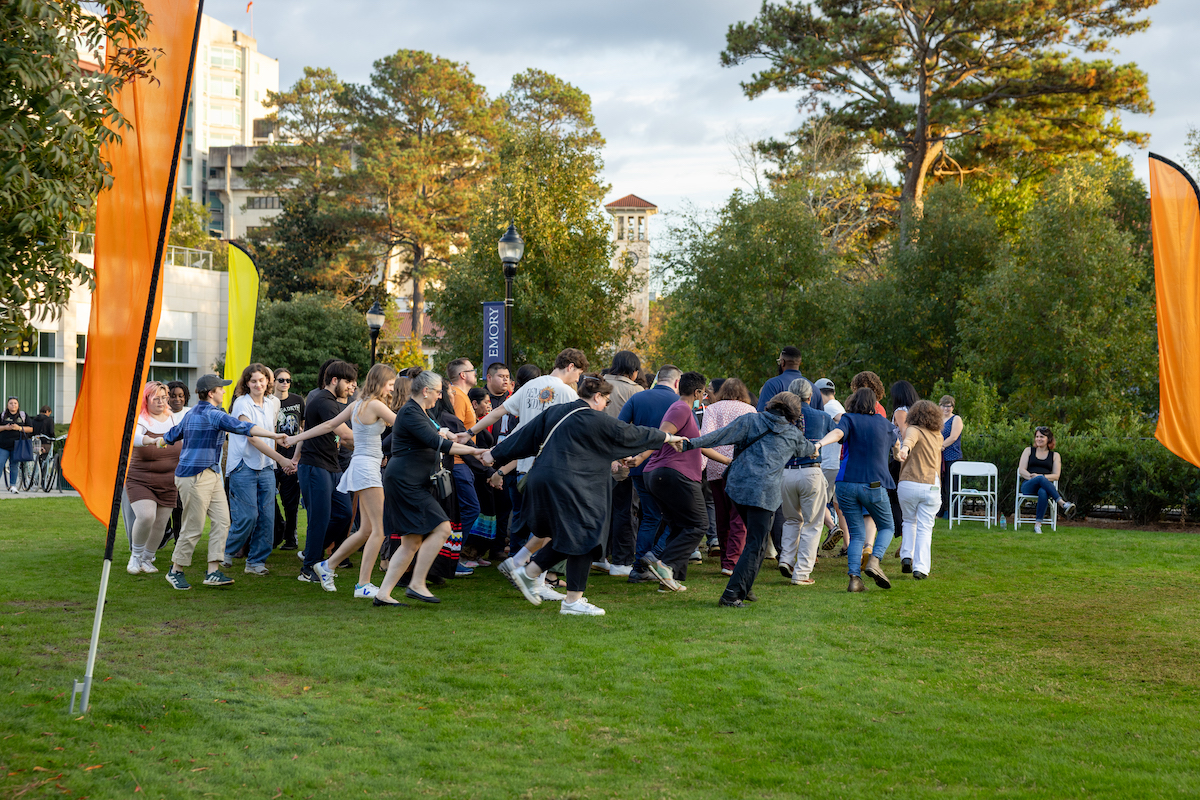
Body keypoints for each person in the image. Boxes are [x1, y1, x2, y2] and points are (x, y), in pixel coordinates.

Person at [485, 375, 683, 616]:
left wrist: (495, 453)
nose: (605, 406)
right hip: (570, 484)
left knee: (570, 535)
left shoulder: (556, 412)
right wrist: (669, 437)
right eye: (606, 401)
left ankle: (530, 573)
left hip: (543, 480)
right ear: (597, 396)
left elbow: (525, 435)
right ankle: (569, 600)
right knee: (587, 536)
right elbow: (632, 434)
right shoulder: (595, 418)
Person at [677, 392, 819, 607]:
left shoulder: (750, 420)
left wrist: (690, 444)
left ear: (771, 404)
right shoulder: (791, 434)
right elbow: (809, 449)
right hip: (763, 495)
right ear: (794, 413)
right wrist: (816, 448)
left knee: (756, 542)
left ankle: (746, 585)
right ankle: (731, 594)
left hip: (737, 488)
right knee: (756, 543)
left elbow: (718, 436)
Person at [468, 349, 588, 592]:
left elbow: (498, 412)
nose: (578, 379)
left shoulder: (530, 386)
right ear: (571, 366)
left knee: (539, 527)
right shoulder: (567, 392)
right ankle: (531, 575)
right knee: (549, 528)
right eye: (579, 373)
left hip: (524, 469)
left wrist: (471, 432)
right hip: (550, 468)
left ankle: (526, 569)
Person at [152, 374, 285, 590]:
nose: (224, 392)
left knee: (223, 521)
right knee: (193, 526)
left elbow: (173, 434)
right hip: (194, 477)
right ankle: (175, 570)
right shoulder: (214, 414)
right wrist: (275, 436)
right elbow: (244, 427)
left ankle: (213, 571)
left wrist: (161, 441)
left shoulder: (192, 412)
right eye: (220, 389)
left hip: (211, 474)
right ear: (211, 393)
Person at [374, 371, 487, 607]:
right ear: (426, 391)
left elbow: (440, 434)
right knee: (443, 528)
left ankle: (383, 594)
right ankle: (417, 583)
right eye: (438, 392)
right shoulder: (410, 413)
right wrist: (476, 451)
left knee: (411, 543)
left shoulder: (419, 412)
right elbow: (441, 444)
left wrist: (455, 436)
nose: (440, 397)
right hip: (406, 483)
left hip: (411, 481)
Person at [286, 363, 398, 597]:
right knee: (379, 530)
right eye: (390, 385)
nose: (392, 389)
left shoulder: (357, 404)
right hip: (367, 468)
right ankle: (361, 584)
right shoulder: (375, 404)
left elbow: (327, 426)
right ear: (380, 383)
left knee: (366, 529)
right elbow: (404, 424)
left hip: (361, 466)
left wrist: (296, 438)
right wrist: (440, 433)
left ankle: (327, 566)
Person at [642, 371, 726, 590]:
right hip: (674, 474)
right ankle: (664, 563)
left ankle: (670, 579)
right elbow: (662, 435)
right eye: (703, 393)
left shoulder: (683, 410)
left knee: (680, 526)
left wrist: (727, 460)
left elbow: (699, 444)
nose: (704, 398)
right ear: (697, 392)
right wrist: (640, 456)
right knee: (699, 524)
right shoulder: (681, 408)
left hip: (662, 474)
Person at [814, 387, 900, 592]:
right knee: (887, 527)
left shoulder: (849, 419)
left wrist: (819, 443)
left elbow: (837, 433)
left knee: (856, 533)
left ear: (853, 402)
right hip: (874, 485)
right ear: (873, 404)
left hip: (845, 484)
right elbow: (897, 447)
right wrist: (898, 454)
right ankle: (874, 560)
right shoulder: (885, 424)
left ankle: (854, 579)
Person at [616, 364, 683, 583]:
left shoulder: (638, 398)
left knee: (650, 517)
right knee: (679, 517)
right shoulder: (679, 403)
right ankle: (653, 558)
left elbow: (619, 427)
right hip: (668, 467)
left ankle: (639, 568)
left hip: (639, 466)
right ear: (676, 382)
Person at [223, 363, 290, 576]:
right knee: (248, 516)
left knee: (267, 516)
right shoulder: (242, 404)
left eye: (262, 380)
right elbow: (252, 437)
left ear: (267, 382)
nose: (258, 384)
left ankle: (256, 562)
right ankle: (224, 554)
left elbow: (271, 431)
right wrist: (281, 459)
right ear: (247, 383)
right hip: (243, 465)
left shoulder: (274, 403)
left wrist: (275, 459)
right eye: (253, 381)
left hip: (266, 466)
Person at [297, 361, 357, 585]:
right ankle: (308, 568)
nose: (353, 386)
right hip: (315, 466)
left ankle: (313, 552)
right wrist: (372, 442)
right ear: (335, 381)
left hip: (332, 466)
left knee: (343, 514)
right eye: (349, 382)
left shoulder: (331, 402)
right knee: (319, 519)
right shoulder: (323, 400)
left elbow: (342, 440)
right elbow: (344, 432)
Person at [698, 377, 756, 577]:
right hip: (742, 467)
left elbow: (705, 437)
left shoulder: (712, 410)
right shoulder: (749, 411)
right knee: (738, 517)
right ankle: (732, 562)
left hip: (716, 466)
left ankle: (725, 560)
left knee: (721, 515)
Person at [778, 378, 834, 586]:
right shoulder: (821, 416)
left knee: (792, 520)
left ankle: (785, 559)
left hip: (786, 473)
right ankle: (801, 572)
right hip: (811, 472)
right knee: (812, 524)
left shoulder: (782, 417)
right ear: (811, 397)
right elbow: (838, 433)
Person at [124, 382, 182, 574]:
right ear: (146, 399)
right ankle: (135, 556)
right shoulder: (141, 419)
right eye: (155, 398)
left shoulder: (173, 418)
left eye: (164, 398)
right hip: (141, 478)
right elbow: (134, 438)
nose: (160, 402)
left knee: (161, 523)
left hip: (168, 480)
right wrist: (152, 440)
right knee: (146, 516)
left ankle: (148, 559)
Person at [603, 350, 644, 577]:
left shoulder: (596, 385)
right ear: (633, 370)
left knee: (597, 508)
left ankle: (597, 557)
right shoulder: (635, 391)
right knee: (625, 510)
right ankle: (621, 561)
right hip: (624, 459)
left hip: (594, 457)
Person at [894, 399, 944, 579]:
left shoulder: (913, 429)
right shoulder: (938, 435)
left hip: (909, 483)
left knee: (908, 521)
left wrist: (904, 450)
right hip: (931, 485)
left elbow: (908, 441)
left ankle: (906, 556)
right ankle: (920, 568)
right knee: (925, 527)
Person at [446, 358, 481, 555]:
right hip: (459, 463)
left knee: (464, 511)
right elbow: (456, 432)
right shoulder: (458, 396)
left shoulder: (462, 395)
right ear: (463, 375)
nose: (475, 373)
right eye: (472, 370)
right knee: (471, 509)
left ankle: (451, 556)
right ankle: (452, 556)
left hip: (463, 462)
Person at [1018, 426, 1076, 533]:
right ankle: (1062, 503)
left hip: (1045, 486)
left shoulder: (1055, 456)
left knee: (1043, 492)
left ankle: (1037, 525)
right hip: (1028, 485)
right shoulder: (1028, 451)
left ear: (1048, 439)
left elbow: (1056, 476)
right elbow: (1021, 470)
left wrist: (1041, 477)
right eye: (1037, 437)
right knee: (1040, 478)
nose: (1038, 439)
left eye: (1041, 437)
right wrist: (1034, 477)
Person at [886, 380, 921, 549]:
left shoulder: (900, 411)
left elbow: (906, 434)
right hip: (915, 458)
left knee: (894, 496)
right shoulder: (917, 411)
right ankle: (908, 539)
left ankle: (903, 536)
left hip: (900, 456)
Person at [272, 368, 304, 551]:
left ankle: (290, 538)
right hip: (271, 457)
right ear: (274, 382)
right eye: (281, 380)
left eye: (288, 380)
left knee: (290, 502)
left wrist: (296, 459)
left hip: (292, 458)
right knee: (268, 499)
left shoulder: (298, 401)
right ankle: (279, 528)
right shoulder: (269, 402)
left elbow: (303, 428)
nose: (285, 383)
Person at [815, 378, 847, 552]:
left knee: (816, 503)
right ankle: (847, 545)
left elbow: (843, 421)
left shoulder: (830, 407)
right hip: (838, 463)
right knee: (837, 505)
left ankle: (831, 529)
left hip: (828, 463)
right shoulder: (838, 404)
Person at [756, 346, 806, 412]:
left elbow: (762, 415)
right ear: (799, 363)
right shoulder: (813, 388)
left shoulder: (771, 385)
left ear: (783, 362)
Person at [939, 395, 964, 519]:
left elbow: (954, 437)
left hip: (952, 457)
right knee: (939, 485)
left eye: (949, 406)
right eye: (943, 405)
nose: (946, 408)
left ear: (952, 407)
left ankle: (954, 513)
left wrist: (940, 446)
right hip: (938, 457)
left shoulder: (956, 419)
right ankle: (940, 511)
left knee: (952, 486)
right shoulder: (937, 419)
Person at [0, 396, 32, 492]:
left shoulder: (23, 416)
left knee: (14, 465)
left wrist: (18, 428)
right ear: (7, 405)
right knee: (0, 463)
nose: (13, 405)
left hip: (18, 445)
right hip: (3, 445)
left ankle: (13, 486)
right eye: (11, 403)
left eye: (15, 403)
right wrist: (5, 427)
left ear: (18, 405)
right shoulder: (3, 415)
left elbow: (31, 429)